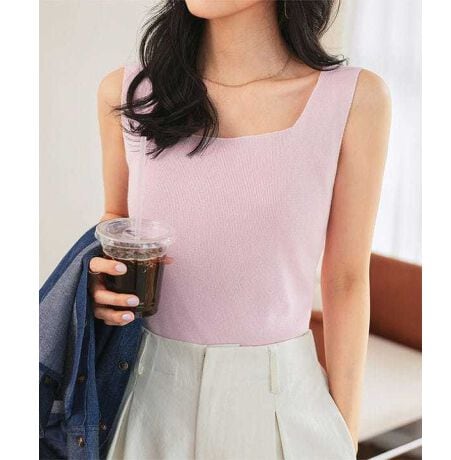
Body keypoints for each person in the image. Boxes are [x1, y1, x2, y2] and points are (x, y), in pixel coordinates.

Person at [90, 1, 391, 458]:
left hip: (285, 408)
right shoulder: (129, 92)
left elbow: (346, 279)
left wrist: (343, 435)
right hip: (145, 402)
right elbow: (116, 221)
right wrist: (102, 284)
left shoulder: (355, 99)